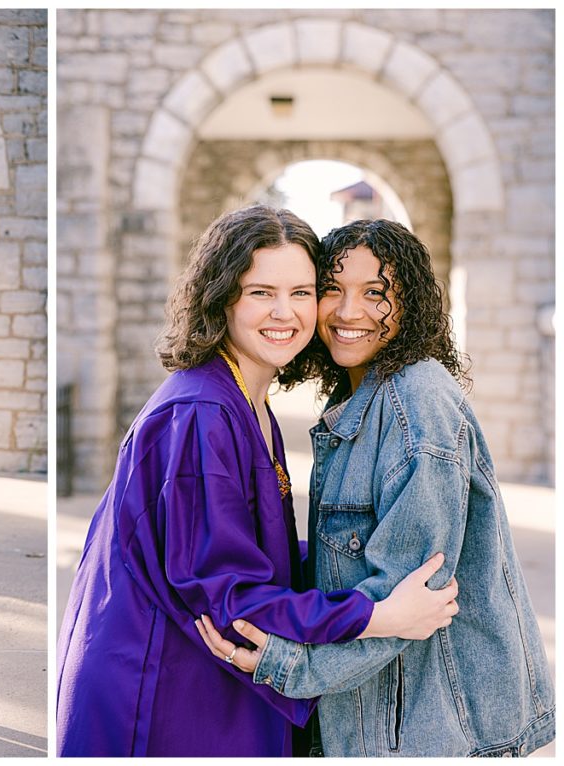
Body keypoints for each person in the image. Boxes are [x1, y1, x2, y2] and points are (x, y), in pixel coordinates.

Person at [56, 206, 458, 757]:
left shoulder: (246, 399)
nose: (285, 313)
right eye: (261, 292)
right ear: (223, 298)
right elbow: (231, 595)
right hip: (161, 685)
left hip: (198, 679)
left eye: (301, 292)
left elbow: (246, 545)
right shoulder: (202, 413)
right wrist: (376, 615)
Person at [197, 219, 554, 757]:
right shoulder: (361, 399)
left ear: (411, 306)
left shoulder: (418, 409)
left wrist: (287, 664)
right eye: (332, 290)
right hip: (378, 716)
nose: (347, 312)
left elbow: (410, 600)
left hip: (432, 729)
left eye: (376, 293)